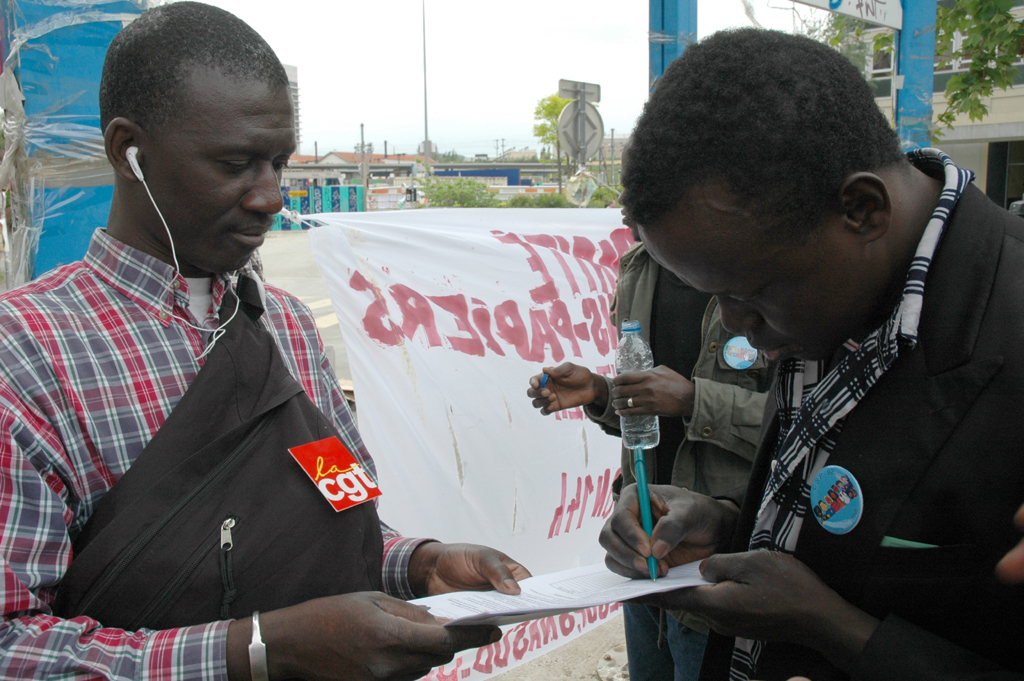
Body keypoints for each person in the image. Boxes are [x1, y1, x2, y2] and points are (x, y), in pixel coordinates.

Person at [0, 4, 529, 680]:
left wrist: (419, 563)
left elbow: (341, 514)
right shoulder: (26, 355)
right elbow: (12, 645)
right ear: (127, 151)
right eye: (236, 163)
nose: (271, 196)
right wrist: (257, 651)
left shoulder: (285, 327)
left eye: (279, 162)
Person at [600, 28, 1024, 681]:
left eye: (749, 294)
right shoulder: (823, 290)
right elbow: (853, 523)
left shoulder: (1004, 331)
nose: (741, 332)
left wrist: (831, 627)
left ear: (861, 210)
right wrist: (727, 525)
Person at [528, 219, 773, 681]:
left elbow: (807, 424)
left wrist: (696, 401)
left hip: (724, 563)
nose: (624, 211)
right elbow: (649, 409)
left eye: (642, 194)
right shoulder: (639, 267)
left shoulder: (763, 272)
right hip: (644, 551)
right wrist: (601, 394)